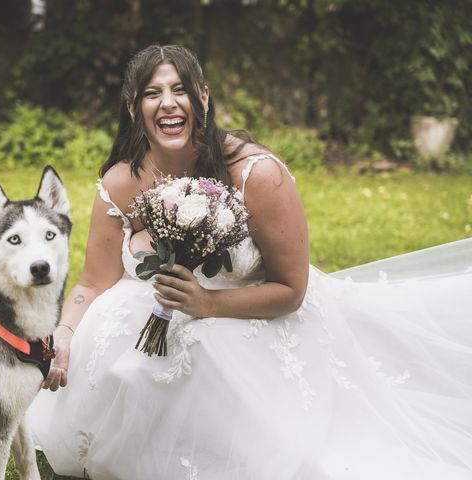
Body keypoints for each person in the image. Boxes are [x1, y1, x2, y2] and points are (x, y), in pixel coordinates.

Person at [27, 44, 472, 479]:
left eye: (180, 89)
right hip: (154, 322)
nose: (167, 103)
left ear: (203, 98)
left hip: (258, 322)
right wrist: (64, 335)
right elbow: (92, 282)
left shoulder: (257, 174)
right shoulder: (122, 181)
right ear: (132, 108)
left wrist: (207, 304)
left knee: (209, 352)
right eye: (151, 93)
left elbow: (292, 290)